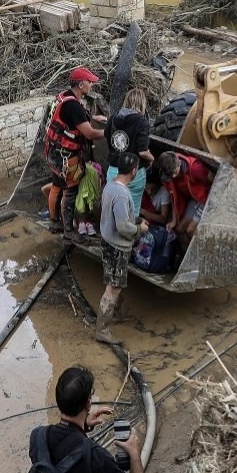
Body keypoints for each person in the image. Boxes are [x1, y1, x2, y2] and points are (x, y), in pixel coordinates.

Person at [33, 366, 145, 473]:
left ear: (58, 401)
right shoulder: (96, 457)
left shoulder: (37, 438)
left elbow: (61, 455)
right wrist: (134, 453)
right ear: (88, 403)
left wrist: (83, 426)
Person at [45, 67, 107, 238]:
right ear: (81, 84)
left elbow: (73, 118)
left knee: (57, 186)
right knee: (70, 191)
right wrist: (109, 131)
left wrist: (93, 118)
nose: (92, 85)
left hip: (53, 152)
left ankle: (54, 220)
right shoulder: (73, 106)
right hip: (66, 157)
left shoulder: (64, 96)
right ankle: (69, 231)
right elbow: (90, 134)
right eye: (90, 82)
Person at [97, 152, 147, 344]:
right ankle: (102, 330)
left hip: (108, 240)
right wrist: (139, 229)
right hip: (117, 247)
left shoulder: (110, 185)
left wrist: (134, 220)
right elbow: (123, 226)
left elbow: (117, 217)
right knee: (113, 287)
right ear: (133, 171)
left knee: (113, 283)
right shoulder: (122, 194)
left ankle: (112, 317)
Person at [105, 89, 155, 209]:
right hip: (133, 173)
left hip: (113, 170)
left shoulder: (113, 118)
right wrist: (152, 158)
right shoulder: (142, 122)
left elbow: (106, 135)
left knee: (111, 209)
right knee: (132, 209)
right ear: (142, 103)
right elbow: (142, 151)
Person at [157, 151, 213, 253]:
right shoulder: (167, 178)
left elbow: (211, 180)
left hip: (205, 198)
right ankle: (191, 252)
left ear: (179, 163)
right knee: (179, 229)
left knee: (190, 230)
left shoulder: (194, 168)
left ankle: (206, 252)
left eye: (175, 172)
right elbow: (173, 198)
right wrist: (174, 220)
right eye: (170, 175)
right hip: (193, 199)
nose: (173, 176)